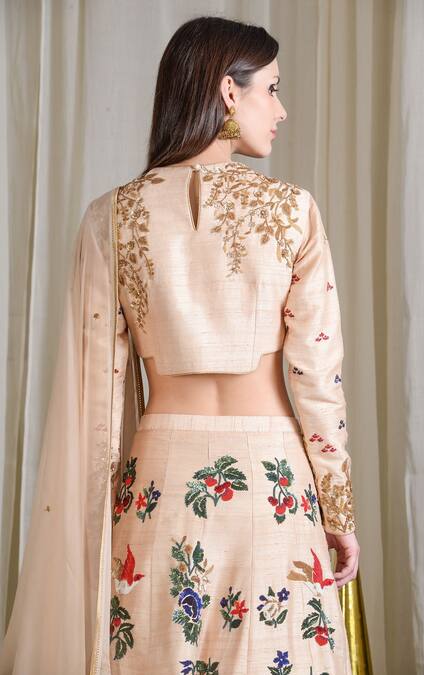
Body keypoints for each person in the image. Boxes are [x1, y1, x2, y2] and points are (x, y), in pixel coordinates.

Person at [0, 15, 359, 675]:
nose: (280, 110)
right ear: (228, 91)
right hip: (271, 484)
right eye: (272, 89)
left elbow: (96, 387)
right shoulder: (294, 211)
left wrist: (93, 514)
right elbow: (317, 376)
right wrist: (337, 509)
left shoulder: (111, 216)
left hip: (158, 485)